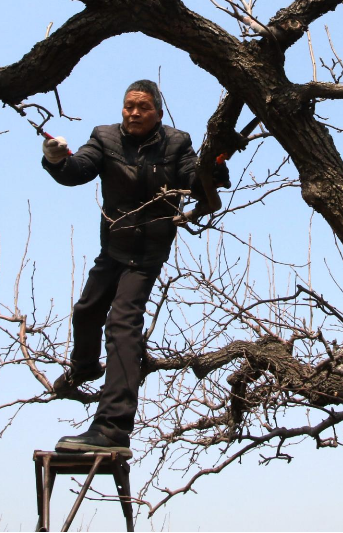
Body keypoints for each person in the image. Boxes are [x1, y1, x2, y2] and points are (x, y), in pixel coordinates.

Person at [40, 79, 227, 452]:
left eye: (143, 107)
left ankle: (112, 427)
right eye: (129, 106)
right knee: (87, 311)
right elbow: (79, 169)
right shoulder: (104, 137)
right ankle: (84, 367)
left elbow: (194, 179)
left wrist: (214, 167)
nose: (135, 113)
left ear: (158, 112)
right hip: (113, 246)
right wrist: (56, 159)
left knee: (122, 325)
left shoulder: (177, 143)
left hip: (147, 254)